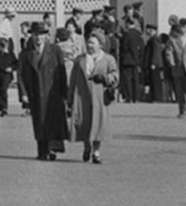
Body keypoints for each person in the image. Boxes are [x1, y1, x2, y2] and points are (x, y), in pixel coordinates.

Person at [20, 27, 69, 160]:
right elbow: (21, 75)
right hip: (35, 93)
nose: (38, 38)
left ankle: (52, 149)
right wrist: (24, 93)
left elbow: (62, 71)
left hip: (53, 92)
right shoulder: (26, 54)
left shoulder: (54, 50)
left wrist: (65, 93)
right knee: (39, 122)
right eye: (36, 35)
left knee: (53, 121)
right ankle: (42, 150)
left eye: (41, 35)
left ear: (46, 36)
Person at [69, 31, 118, 164]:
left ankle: (96, 152)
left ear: (100, 45)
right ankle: (86, 146)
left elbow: (115, 75)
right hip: (82, 95)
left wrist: (106, 78)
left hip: (100, 96)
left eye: (92, 43)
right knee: (84, 121)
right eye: (88, 42)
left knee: (98, 124)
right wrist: (69, 99)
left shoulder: (108, 59)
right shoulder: (80, 60)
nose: (89, 45)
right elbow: (73, 79)